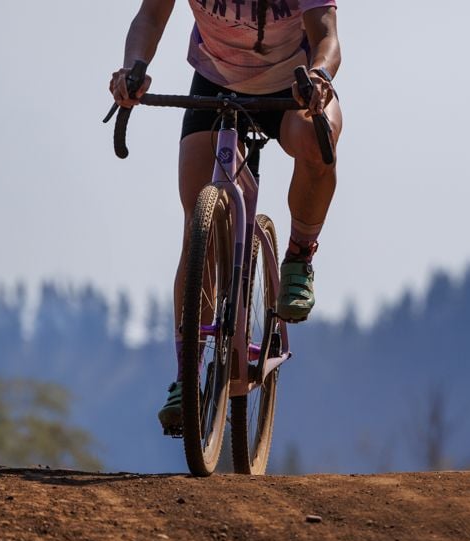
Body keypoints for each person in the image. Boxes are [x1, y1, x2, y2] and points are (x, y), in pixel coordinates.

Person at [109, 0, 342, 433]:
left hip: (295, 85)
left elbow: (327, 36)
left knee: (318, 139)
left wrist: (320, 76)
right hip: (216, 82)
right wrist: (132, 69)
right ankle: (187, 373)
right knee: (198, 222)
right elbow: (150, 15)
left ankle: (299, 255)